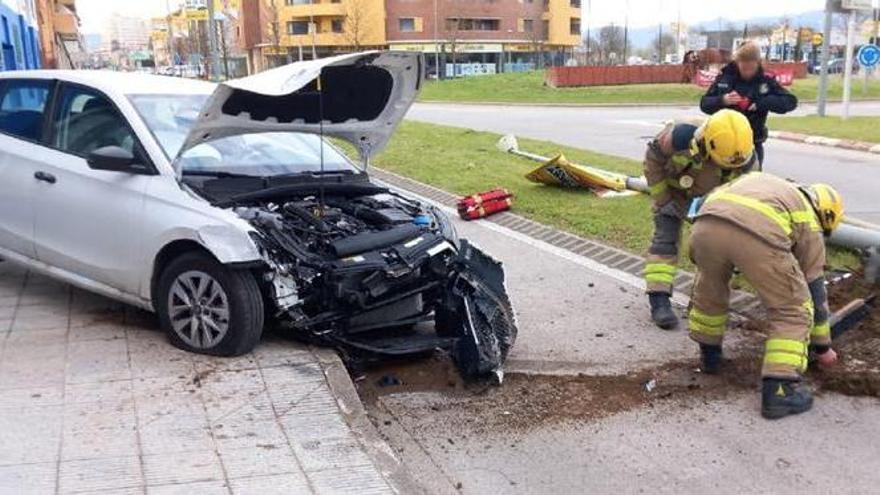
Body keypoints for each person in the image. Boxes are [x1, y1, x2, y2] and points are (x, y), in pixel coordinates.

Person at [687, 172, 844, 419]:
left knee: (710, 291)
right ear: (826, 215)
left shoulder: (776, 188)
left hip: (704, 224)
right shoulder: (810, 220)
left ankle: (710, 357)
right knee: (792, 309)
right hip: (754, 234)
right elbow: (813, 287)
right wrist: (823, 346)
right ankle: (779, 392)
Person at [643, 109, 756, 330]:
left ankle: (702, 302)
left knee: (714, 251)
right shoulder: (678, 136)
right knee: (664, 243)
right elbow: (652, 160)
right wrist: (663, 200)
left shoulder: (745, 156)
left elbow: (747, 194)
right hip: (674, 194)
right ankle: (659, 300)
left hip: (712, 200)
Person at [700, 41, 798, 167]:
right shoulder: (725, 78)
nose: (747, 72)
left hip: (752, 142)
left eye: (751, 68)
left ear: (758, 63)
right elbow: (704, 104)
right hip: (722, 143)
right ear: (737, 63)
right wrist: (723, 100)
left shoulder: (766, 80)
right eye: (744, 68)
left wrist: (761, 103)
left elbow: (790, 102)